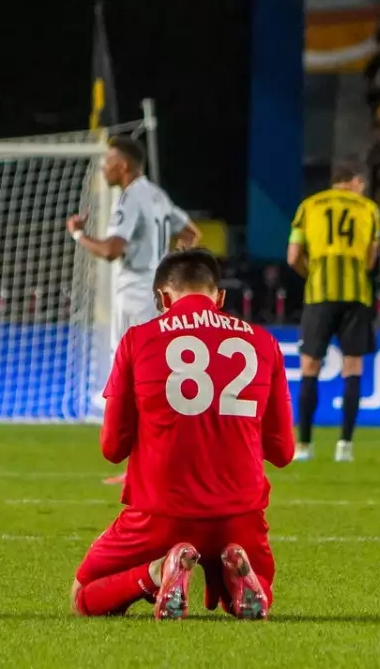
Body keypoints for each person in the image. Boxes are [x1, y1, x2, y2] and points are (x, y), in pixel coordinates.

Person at [71, 249, 294, 620]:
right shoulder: (263, 342)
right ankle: (238, 579)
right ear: (219, 297)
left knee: (84, 595)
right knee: (258, 583)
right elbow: (283, 451)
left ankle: (157, 573)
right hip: (239, 514)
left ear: (162, 297)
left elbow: (112, 448)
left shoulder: (138, 340)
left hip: (160, 514)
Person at [65, 135, 201, 485]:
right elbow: (190, 233)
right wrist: (168, 269)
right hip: (156, 295)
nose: (103, 167)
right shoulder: (156, 194)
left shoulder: (129, 198)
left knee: (136, 381)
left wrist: (78, 235)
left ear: (123, 165)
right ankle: (158, 464)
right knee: (153, 378)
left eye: (108, 161)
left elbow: (111, 250)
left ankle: (145, 470)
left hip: (135, 297)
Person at [286, 162, 380, 463]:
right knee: (352, 367)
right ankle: (345, 446)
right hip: (356, 296)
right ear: (356, 181)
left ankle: (304, 445)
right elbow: (371, 259)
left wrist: (313, 275)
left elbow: (293, 257)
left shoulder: (308, 206)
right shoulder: (369, 209)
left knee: (309, 367)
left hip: (319, 295)